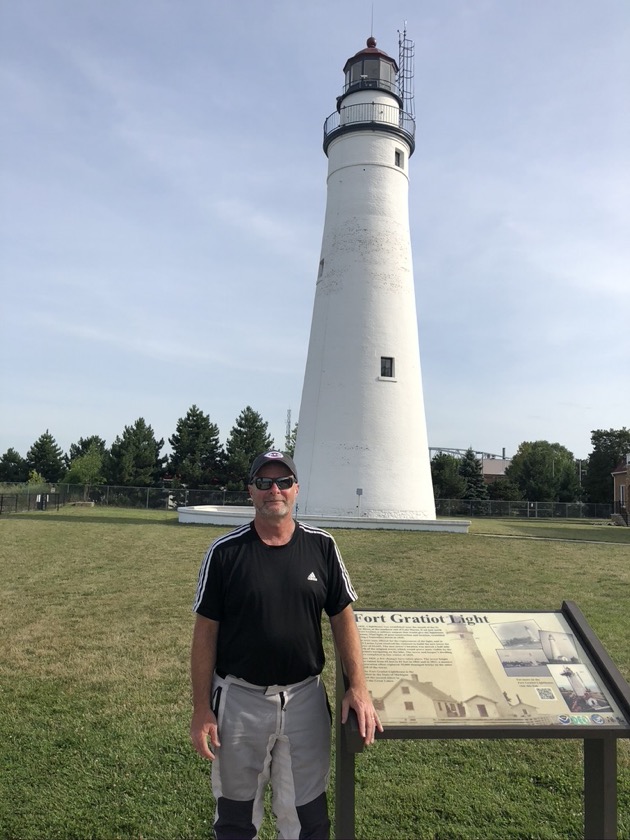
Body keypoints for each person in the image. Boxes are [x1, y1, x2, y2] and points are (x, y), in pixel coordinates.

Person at [190, 449, 382, 839]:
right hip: (239, 700)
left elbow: (342, 617)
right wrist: (200, 709)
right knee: (236, 818)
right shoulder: (225, 553)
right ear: (251, 490)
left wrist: (358, 687)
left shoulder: (322, 546)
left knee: (309, 819)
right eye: (263, 482)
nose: (273, 490)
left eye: (282, 482)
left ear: (296, 489)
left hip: (304, 699)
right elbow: (205, 632)